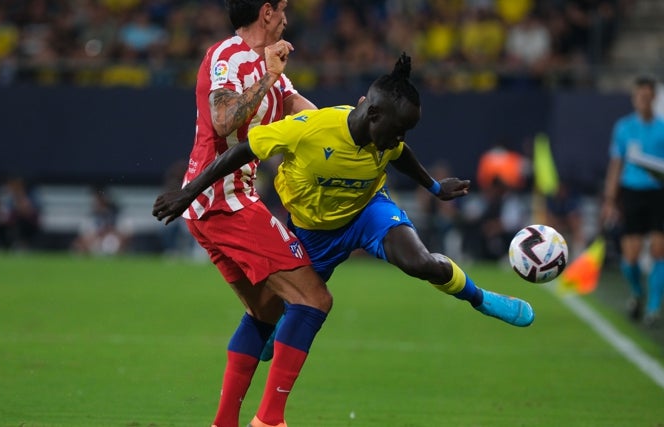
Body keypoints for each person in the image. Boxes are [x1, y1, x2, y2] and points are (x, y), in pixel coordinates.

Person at [154, 52, 535, 418]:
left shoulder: (386, 137)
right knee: (266, 313)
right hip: (311, 233)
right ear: (372, 114)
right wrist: (189, 192)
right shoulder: (311, 129)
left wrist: (434, 187)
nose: (399, 137)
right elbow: (241, 151)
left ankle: (480, 298)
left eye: (406, 131)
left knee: (420, 262)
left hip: (368, 213)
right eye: (397, 129)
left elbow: (400, 153)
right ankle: (233, 407)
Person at [157, 1, 327, 427]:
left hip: (217, 205)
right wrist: (268, 73)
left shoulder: (275, 72)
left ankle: (224, 423)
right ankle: (270, 420)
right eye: (283, 8)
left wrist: (351, 127)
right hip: (223, 202)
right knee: (312, 299)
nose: (288, 18)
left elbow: (309, 115)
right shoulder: (227, 57)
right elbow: (222, 120)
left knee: (266, 312)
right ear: (266, 12)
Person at [601, 75, 664, 327]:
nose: (643, 100)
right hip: (632, 193)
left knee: (659, 250)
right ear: (634, 98)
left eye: (647, 96)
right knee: (631, 256)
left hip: (659, 193)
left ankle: (653, 307)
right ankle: (638, 292)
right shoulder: (624, 128)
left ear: (654, 97)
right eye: (639, 96)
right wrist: (610, 200)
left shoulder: (662, 128)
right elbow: (616, 165)